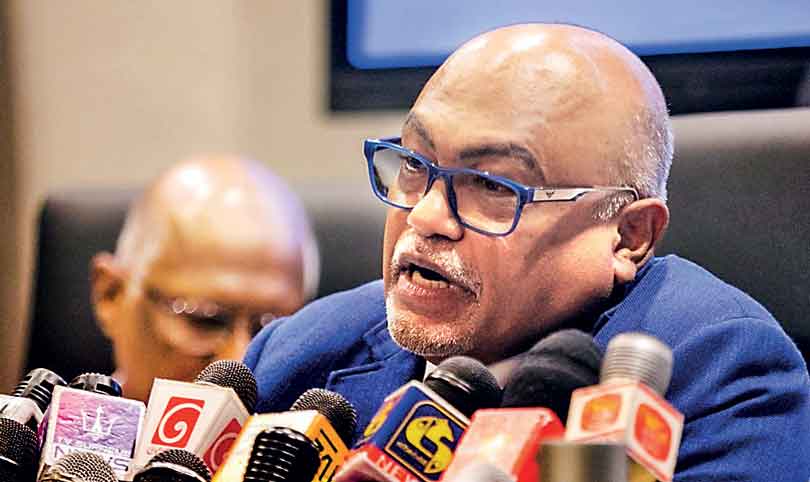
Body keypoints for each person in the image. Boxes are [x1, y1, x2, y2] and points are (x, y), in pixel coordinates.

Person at [244, 24, 810, 480]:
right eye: (415, 163)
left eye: (491, 185)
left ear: (628, 235)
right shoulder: (298, 356)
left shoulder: (720, 377)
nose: (426, 217)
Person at [91, 156, 319, 403]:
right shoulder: (59, 426)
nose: (238, 363)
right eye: (204, 320)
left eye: (272, 332)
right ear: (111, 295)